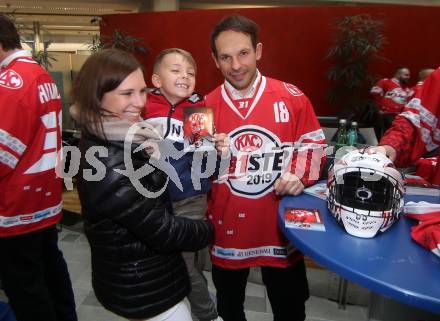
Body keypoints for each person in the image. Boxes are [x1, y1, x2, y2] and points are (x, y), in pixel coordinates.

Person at [71, 48, 214, 321]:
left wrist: (215, 152)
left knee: (190, 267)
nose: (138, 102)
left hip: (182, 205)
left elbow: (202, 161)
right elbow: (162, 229)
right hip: (140, 278)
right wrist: (212, 230)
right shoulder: (113, 152)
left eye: (141, 92)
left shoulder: (125, 128)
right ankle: (208, 313)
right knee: (188, 272)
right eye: (127, 93)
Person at [206, 15, 326, 321]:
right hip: (228, 228)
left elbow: (313, 147)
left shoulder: (292, 96)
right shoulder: (204, 108)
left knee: (290, 311)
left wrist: (299, 175)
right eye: (226, 57)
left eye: (243, 53)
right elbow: (193, 173)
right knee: (230, 310)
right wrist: (206, 154)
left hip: (280, 228)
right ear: (215, 60)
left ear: (258, 50)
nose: (235, 65)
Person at [0, 14, 77, 321]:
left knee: (25, 287)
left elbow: (3, 153)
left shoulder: (11, 83)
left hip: (17, 206)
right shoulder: (39, 75)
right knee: (50, 270)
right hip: (43, 198)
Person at [144, 48, 220, 321]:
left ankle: (207, 314)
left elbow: (205, 162)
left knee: (184, 263)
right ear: (156, 79)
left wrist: (209, 148)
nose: (184, 76)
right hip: (153, 199)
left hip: (189, 199)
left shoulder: (197, 109)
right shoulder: (144, 105)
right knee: (162, 259)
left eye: (190, 72)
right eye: (175, 70)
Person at [370, 67, 440, 185]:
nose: (407, 77)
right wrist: (391, 146)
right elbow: (415, 124)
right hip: (389, 115)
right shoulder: (435, 81)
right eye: (405, 74)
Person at [370, 66, 412, 131]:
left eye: (409, 75)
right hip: (386, 114)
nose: (408, 77)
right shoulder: (385, 82)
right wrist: (378, 109)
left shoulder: (407, 89)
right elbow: (374, 95)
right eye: (406, 75)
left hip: (400, 116)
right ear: (398, 74)